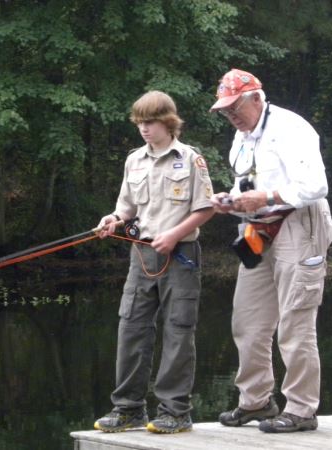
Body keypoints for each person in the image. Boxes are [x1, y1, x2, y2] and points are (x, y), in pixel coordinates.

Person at [209, 69, 332, 433]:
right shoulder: (241, 136)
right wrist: (232, 201)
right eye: (224, 111)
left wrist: (264, 197)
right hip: (258, 228)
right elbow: (246, 182)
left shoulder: (291, 129)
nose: (230, 116)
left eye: (234, 107)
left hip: (300, 223)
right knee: (247, 321)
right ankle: (257, 402)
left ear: (256, 98)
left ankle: (301, 409)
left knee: (296, 321)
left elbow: (315, 185)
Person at [94, 90, 215, 434]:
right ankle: (128, 408)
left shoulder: (191, 159)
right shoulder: (134, 160)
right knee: (131, 327)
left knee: (178, 330)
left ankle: (175, 412)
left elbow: (206, 207)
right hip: (141, 254)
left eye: (150, 122)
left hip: (181, 256)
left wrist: (175, 234)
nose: (144, 129)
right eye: (139, 123)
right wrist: (113, 219)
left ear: (168, 122)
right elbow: (126, 206)